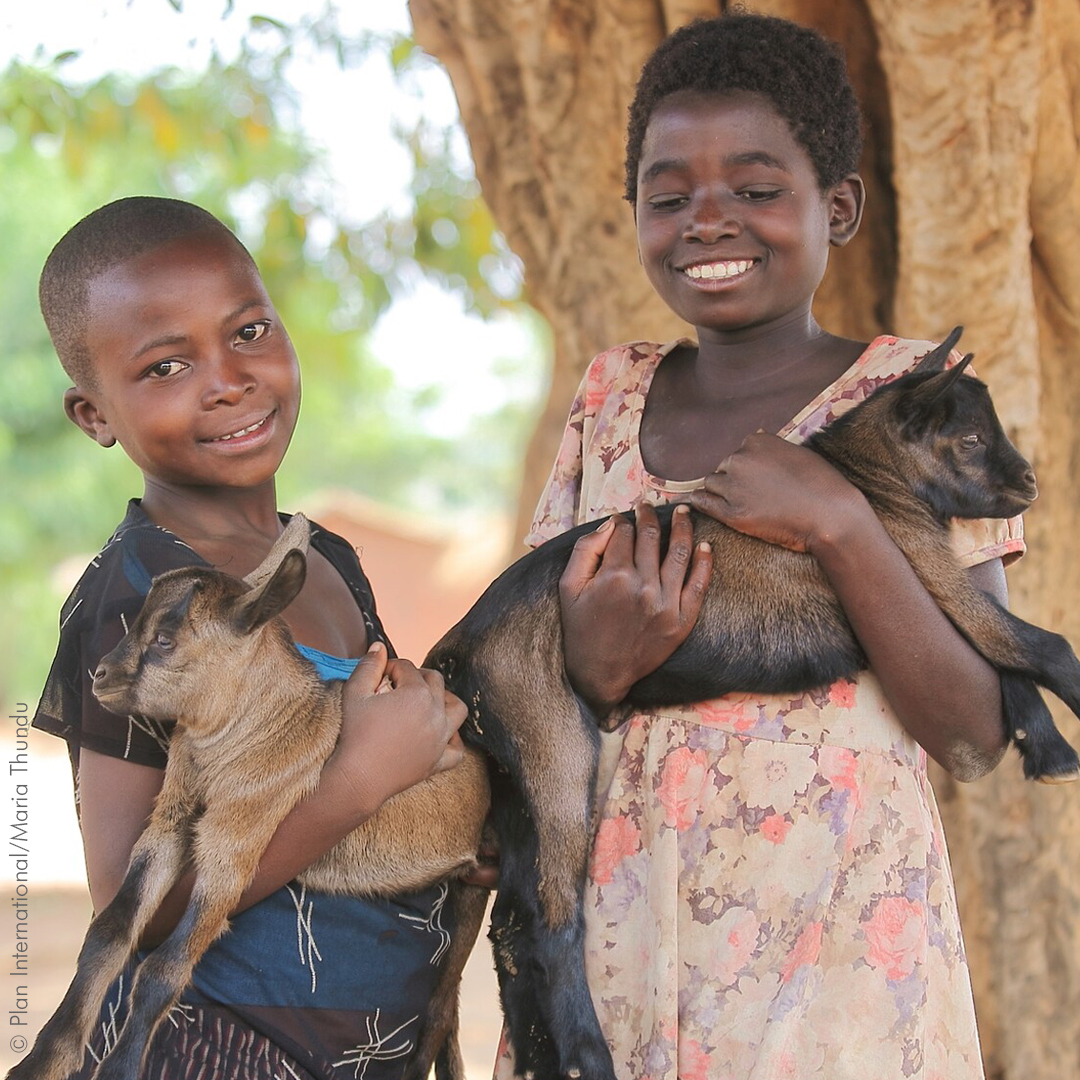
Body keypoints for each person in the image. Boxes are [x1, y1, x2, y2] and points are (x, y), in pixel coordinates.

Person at [498, 13, 1024, 1080]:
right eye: (669, 193)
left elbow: (974, 730)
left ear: (839, 207)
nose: (708, 219)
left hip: (839, 948)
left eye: (754, 187)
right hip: (620, 925)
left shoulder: (920, 399)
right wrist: (593, 669)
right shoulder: (610, 398)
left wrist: (835, 520)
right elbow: (527, 684)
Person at [32, 196, 481, 1080]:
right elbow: (133, 904)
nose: (227, 379)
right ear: (94, 416)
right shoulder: (132, 594)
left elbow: (383, 748)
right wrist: (358, 783)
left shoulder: (325, 560)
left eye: (248, 331)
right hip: (210, 1052)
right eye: (165, 366)